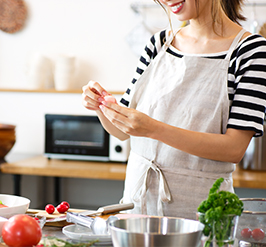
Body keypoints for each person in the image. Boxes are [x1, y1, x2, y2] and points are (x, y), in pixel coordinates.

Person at [82, 0, 266, 220]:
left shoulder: (251, 52)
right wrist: (103, 107)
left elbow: (234, 149)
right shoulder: (159, 44)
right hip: (137, 212)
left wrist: (153, 129)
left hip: (200, 218)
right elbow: (123, 132)